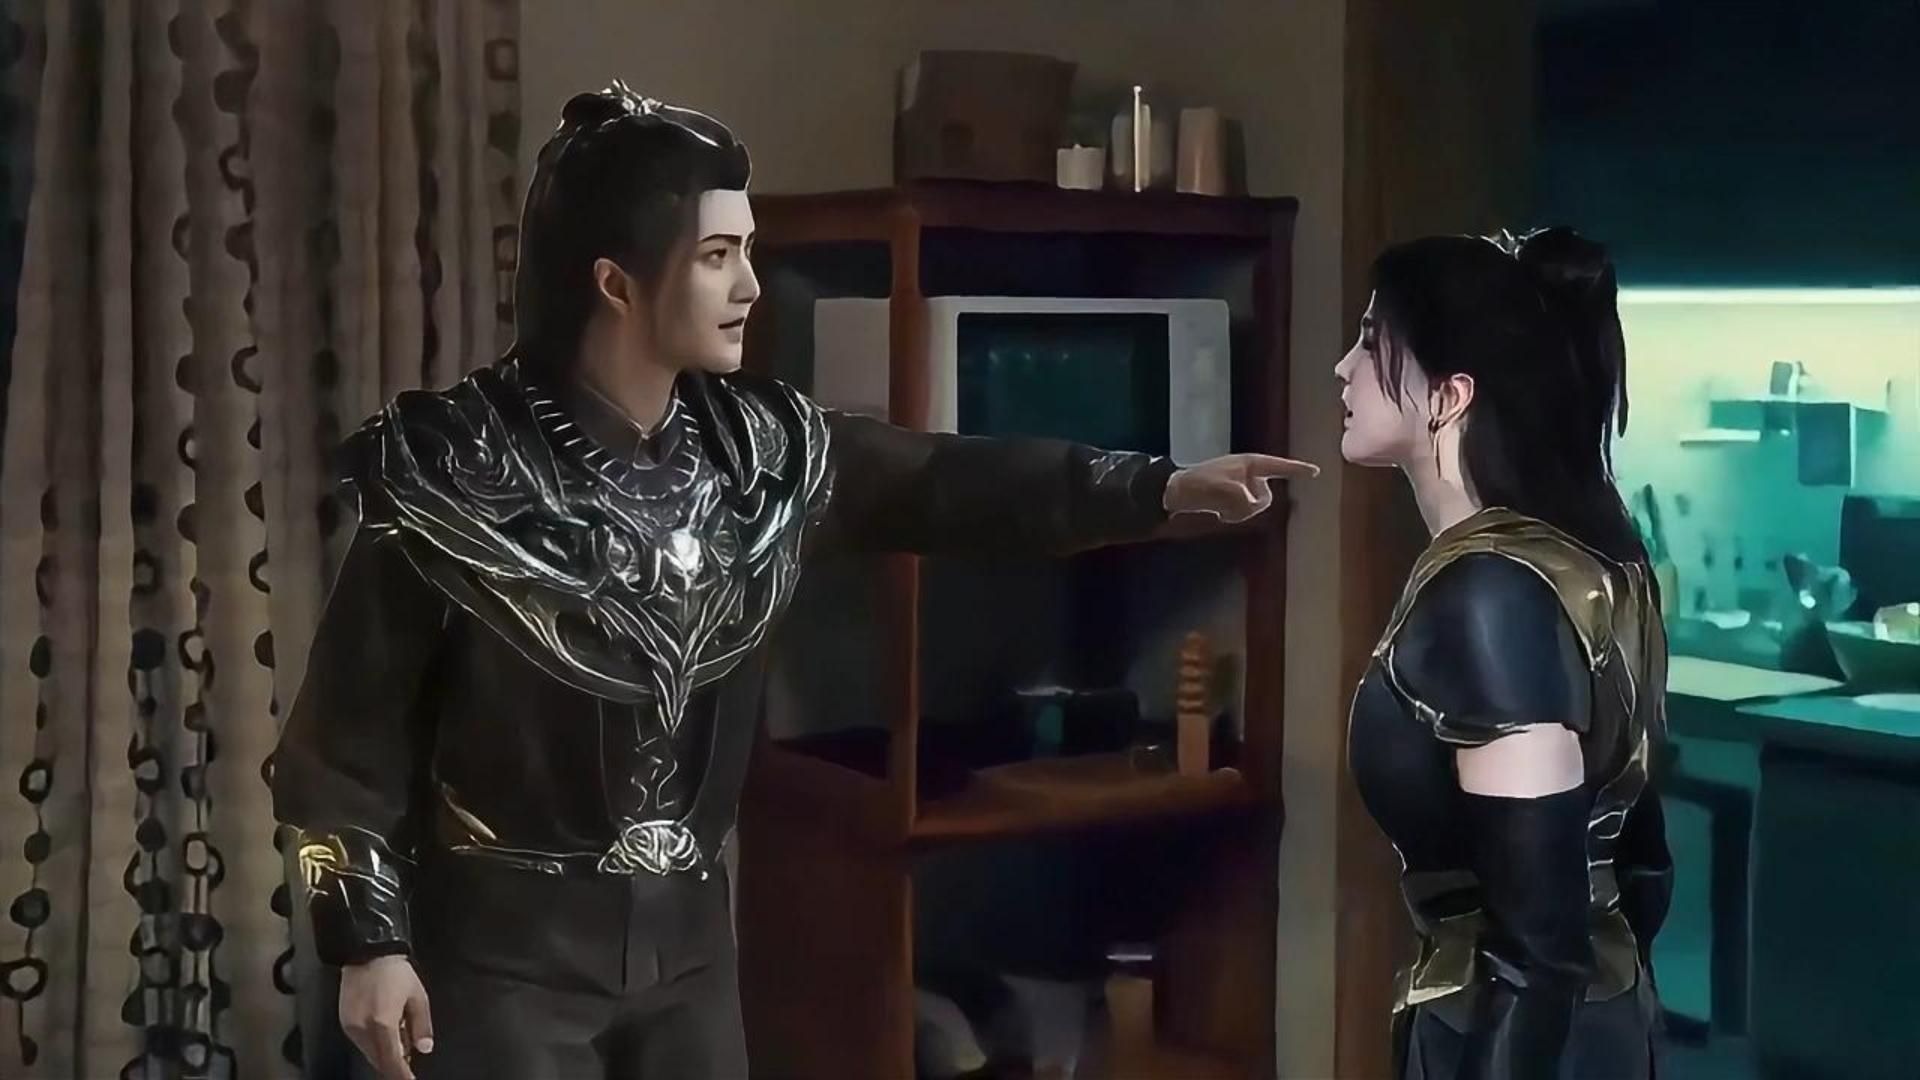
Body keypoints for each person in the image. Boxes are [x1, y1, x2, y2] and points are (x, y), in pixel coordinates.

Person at [270, 82, 1317, 1080]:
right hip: (500, 962)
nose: (751, 287)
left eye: (749, 252)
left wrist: (1156, 486)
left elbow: (949, 481)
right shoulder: (455, 472)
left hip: (688, 955)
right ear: (616, 282)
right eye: (717, 256)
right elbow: (340, 748)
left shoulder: (762, 452)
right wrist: (368, 942)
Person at [1335, 228, 1674, 1079]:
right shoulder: (1593, 562)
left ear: (1450, 395)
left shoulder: (1491, 596)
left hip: (1515, 1038)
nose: (1344, 368)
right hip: (1584, 1022)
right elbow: (1641, 865)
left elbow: (1538, 954)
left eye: (1371, 342)